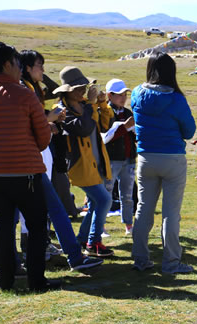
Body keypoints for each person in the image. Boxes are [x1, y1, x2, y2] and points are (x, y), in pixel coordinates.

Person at [18, 50, 102, 271]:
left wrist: (50, 122)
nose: (43, 70)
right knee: (49, 208)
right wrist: (49, 118)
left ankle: (44, 252)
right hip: (39, 157)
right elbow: (84, 128)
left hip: (43, 155)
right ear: (27, 67)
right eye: (39, 65)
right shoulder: (24, 90)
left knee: (45, 208)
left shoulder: (32, 89)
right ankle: (68, 253)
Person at [0, 41, 59, 291]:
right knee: (37, 227)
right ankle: (37, 282)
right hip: (26, 172)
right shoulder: (24, 95)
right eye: (17, 63)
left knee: (2, 228)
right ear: (7, 64)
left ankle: (5, 282)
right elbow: (42, 138)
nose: (19, 68)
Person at [130, 51, 196, 274]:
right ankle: (171, 263)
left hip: (145, 157)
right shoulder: (176, 99)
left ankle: (140, 259)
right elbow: (189, 131)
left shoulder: (137, 93)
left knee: (143, 209)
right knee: (171, 213)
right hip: (172, 158)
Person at [54, 66, 115, 258]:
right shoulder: (63, 111)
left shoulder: (86, 106)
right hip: (80, 167)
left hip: (96, 162)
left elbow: (106, 124)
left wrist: (102, 104)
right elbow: (84, 127)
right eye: (78, 88)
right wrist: (91, 105)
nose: (82, 90)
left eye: (83, 87)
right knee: (104, 199)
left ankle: (82, 239)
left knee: (97, 202)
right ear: (67, 91)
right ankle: (94, 242)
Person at [104, 78, 137, 236]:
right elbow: (105, 137)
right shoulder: (105, 113)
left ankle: (128, 226)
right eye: (119, 95)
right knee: (106, 193)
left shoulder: (128, 113)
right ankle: (100, 226)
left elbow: (134, 135)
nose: (123, 98)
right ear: (109, 96)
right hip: (111, 159)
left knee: (127, 195)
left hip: (128, 159)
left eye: (125, 94)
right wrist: (126, 127)